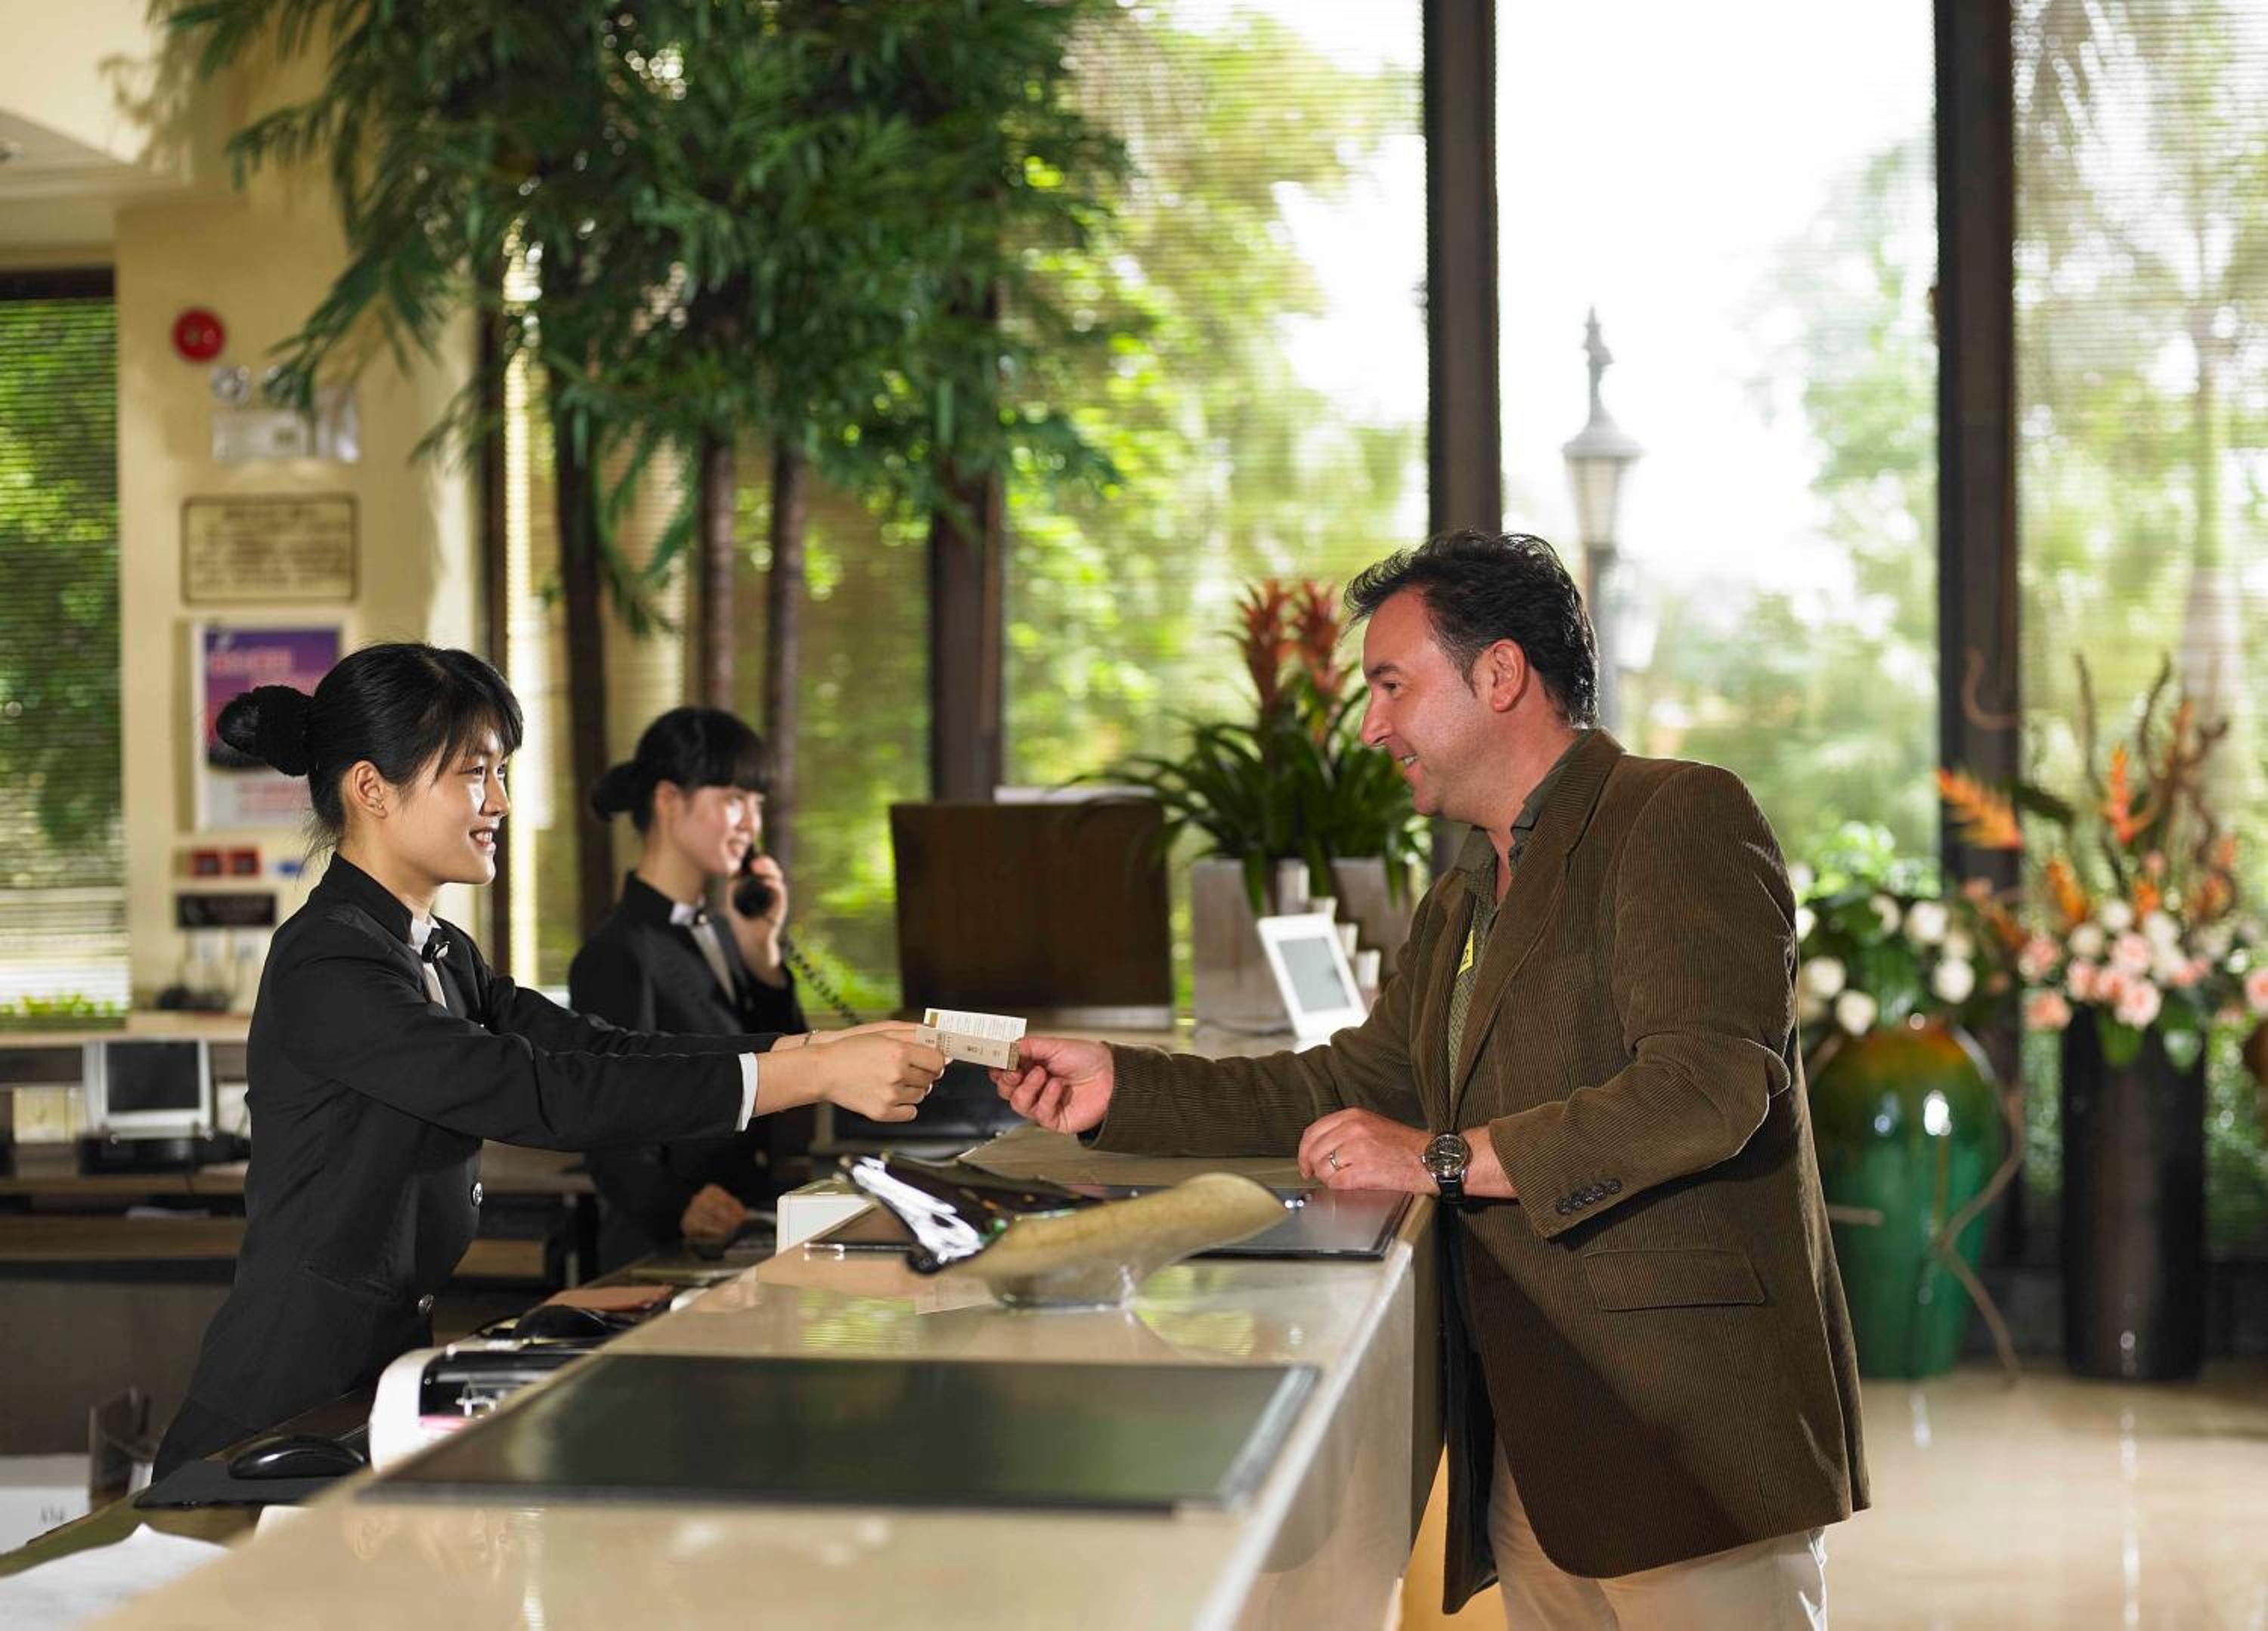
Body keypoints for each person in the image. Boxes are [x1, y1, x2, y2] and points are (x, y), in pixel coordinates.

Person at [995, 532, 1865, 1627]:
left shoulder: (1676, 813)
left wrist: (1444, 1158)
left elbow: (1705, 1090)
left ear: (1499, 675)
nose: (1372, 725)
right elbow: (1349, 1083)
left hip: (1687, 1438)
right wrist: (1121, 1084)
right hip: (1542, 1450)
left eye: (1392, 685)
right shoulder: (1464, 893)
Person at [153, 644, 943, 1478]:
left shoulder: (441, 952)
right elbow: (538, 1091)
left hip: (366, 1390)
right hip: (272, 1412)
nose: (498, 801)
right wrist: (813, 1075)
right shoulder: (329, 961)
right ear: (371, 788)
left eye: (500, 773)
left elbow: (595, 1046)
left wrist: (814, 1049)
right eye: (474, 773)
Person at [571, 707, 808, 1265]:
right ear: (669, 800)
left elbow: (793, 1074)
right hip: (666, 1251)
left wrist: (763, 956)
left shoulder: (725, 932)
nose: (751, 824)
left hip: (748, 1233)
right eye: (734, 799)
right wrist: (678, 1206)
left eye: (758, 804)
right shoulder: (617, 952)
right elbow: (604, 1125)